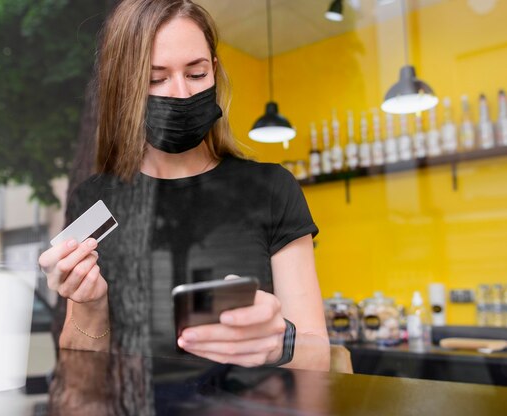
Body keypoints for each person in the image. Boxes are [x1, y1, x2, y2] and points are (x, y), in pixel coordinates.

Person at [39, 0, 329, 370]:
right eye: (155, 79)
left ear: (215, 72)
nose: (181, 94)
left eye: (196, 74)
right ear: (126, 88)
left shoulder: (272, 189)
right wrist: (90, 304)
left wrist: (278, 343)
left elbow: (318, 353)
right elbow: (80, 371)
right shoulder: (97, 201)